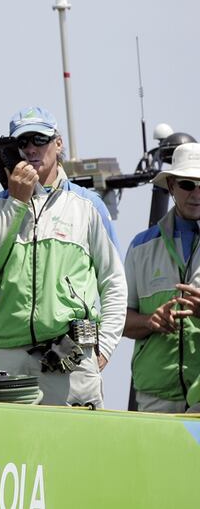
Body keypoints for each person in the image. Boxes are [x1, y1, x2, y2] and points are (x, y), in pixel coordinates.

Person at [0, 107, 127, 408]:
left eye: (39, 139)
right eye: (23, 142)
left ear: (58, 144)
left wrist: (101, 349)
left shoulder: (88, 206)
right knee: (9, 453)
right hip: (8, 358)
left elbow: (114, 283)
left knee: (75, 451)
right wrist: (16, 201)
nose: (30, 149)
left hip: (71, 360)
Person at [123, 142, 200, 412]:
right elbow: (119, 320)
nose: (197, 194)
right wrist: (150, 321)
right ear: (171, 186)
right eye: (189, 185)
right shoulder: (140, 247)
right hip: (155, 396)